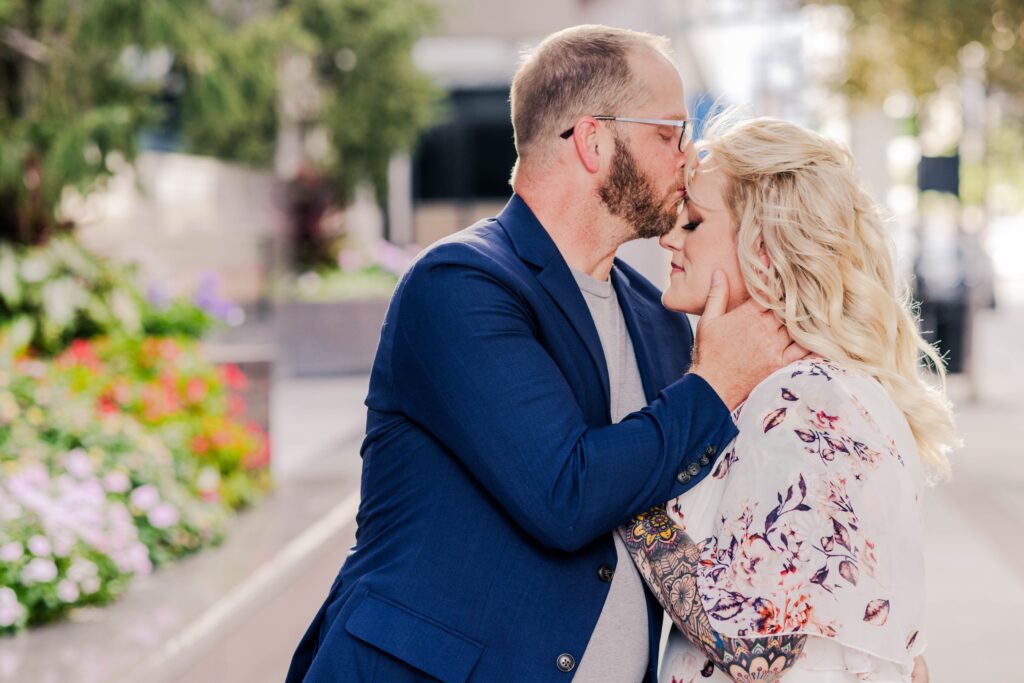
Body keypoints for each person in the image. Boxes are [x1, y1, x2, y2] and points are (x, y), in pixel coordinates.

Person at [285, 25, 804, 682]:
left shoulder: (657, 318)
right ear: (593, 141)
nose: (688, 160)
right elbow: (565, 493)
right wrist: (714, 383)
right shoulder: (460, 286)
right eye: (670, 133)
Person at [617, 117, 956, 682]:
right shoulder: (811, 390)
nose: (669, 238)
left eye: (694, 221)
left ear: (765, 246)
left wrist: (625, 483)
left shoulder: (805, 397)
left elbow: (760, 651)